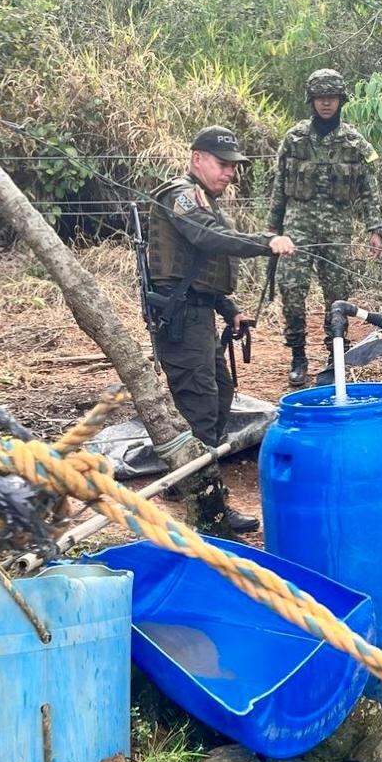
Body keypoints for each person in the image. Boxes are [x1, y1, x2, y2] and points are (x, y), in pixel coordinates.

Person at [148, 125, 296, 532]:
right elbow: (209, 238)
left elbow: (198, 273)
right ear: (197, 158)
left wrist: (229, 309)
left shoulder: (205, 200)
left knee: (220, 393)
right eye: (222, 164)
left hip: (199, 315)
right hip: (181, 320)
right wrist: (265, 242)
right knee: (199, 402)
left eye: (234, 167)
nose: (230, 173)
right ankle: (207, 504)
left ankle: (187, 479)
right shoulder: (180, 195)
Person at [268, 69, 382, 387]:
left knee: (338, 295)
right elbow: (280, 185)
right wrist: (271, 229)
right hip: (297, 227)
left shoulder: (354, 142)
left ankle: (336, 356)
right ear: (312, 101)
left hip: (336, 230)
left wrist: (375, 227)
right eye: (321, 98)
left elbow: (369, 189)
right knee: (291, 289)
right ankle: (298, 357)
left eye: (331, 98)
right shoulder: (294, 138)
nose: (326, 104)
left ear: (341, 100)